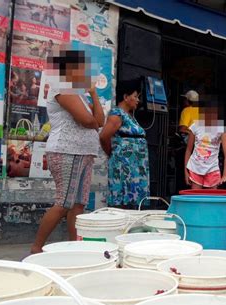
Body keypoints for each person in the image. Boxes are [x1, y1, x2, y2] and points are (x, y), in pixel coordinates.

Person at [30, 49, 104, 254]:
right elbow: (88, 121)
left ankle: (74, 248)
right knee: (63, 203)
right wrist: (93, 120)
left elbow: (100, 121)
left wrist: (94, 93)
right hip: (66, 151)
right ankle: (37, 248)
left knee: (78, 204)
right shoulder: (62, 88)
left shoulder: (79, 94)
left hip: (84, 153)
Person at [99, 79, 150, 208]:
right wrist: (113, 153)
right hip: (124, 167)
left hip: (136, 167)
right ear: (126, 97)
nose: (138, 100)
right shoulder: (117, 115)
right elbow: (104, 137)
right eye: (135, 97)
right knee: (123, 201)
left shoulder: (130, 116)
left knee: (134, 202)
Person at [184, 98, 226, 189]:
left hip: (212, 168)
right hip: (195, 167)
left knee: (212, 200)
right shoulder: (195, 126)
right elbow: (188, 150)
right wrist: (186, 172)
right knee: (196, 199)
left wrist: (225, 175)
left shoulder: (222, 128)